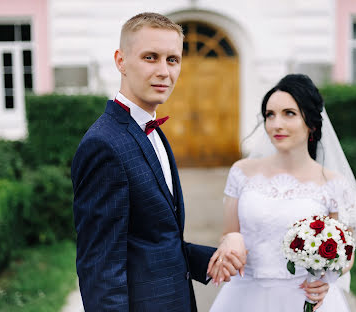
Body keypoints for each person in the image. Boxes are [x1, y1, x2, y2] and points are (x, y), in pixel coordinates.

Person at [71, 12, 246, 312]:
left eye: (172, 59)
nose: (164, 71)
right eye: (150, 57)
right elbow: (100, 266)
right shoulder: (104, 144)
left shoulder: (152, 131)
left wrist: (206, 259)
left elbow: (150, 238)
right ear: (121, 61)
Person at [208, 74, 356, 311]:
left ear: (311, 123)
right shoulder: (241, 172)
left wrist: (328, 279)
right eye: (270, 115)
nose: (276, 124)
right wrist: (231, 240)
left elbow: (345, 252)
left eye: (289, 113)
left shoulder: (333, 184)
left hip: (305, 296)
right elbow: (229, 233)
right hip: (245, 296)